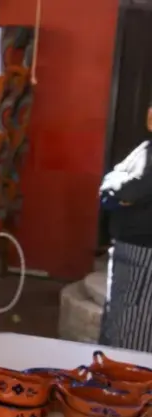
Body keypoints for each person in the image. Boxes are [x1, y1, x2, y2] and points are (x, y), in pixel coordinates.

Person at [98, 97, 152, 352]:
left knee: (131, 339)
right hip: (130, 253)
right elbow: (111, 184)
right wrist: (113, 186)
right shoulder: (145, 147)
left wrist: (114, 185)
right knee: (117, 325)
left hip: (143, 258)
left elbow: (127, 191)